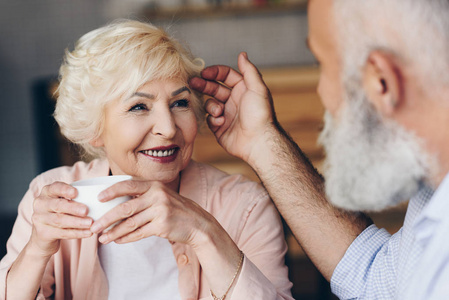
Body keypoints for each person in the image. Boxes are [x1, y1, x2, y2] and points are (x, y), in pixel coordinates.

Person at [0, 20, 293, 299]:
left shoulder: (245, 205)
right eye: (139, 106)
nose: (168, 128)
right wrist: (37, 250)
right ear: (94, 129)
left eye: (180, 103)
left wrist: (202, 231)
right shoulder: (51, 195)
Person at [190, 0, 449, 299]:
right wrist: (261, 141)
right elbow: (378, 278)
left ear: (382, 82)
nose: (322, 91)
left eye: (322, 65)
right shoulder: (434, 191)